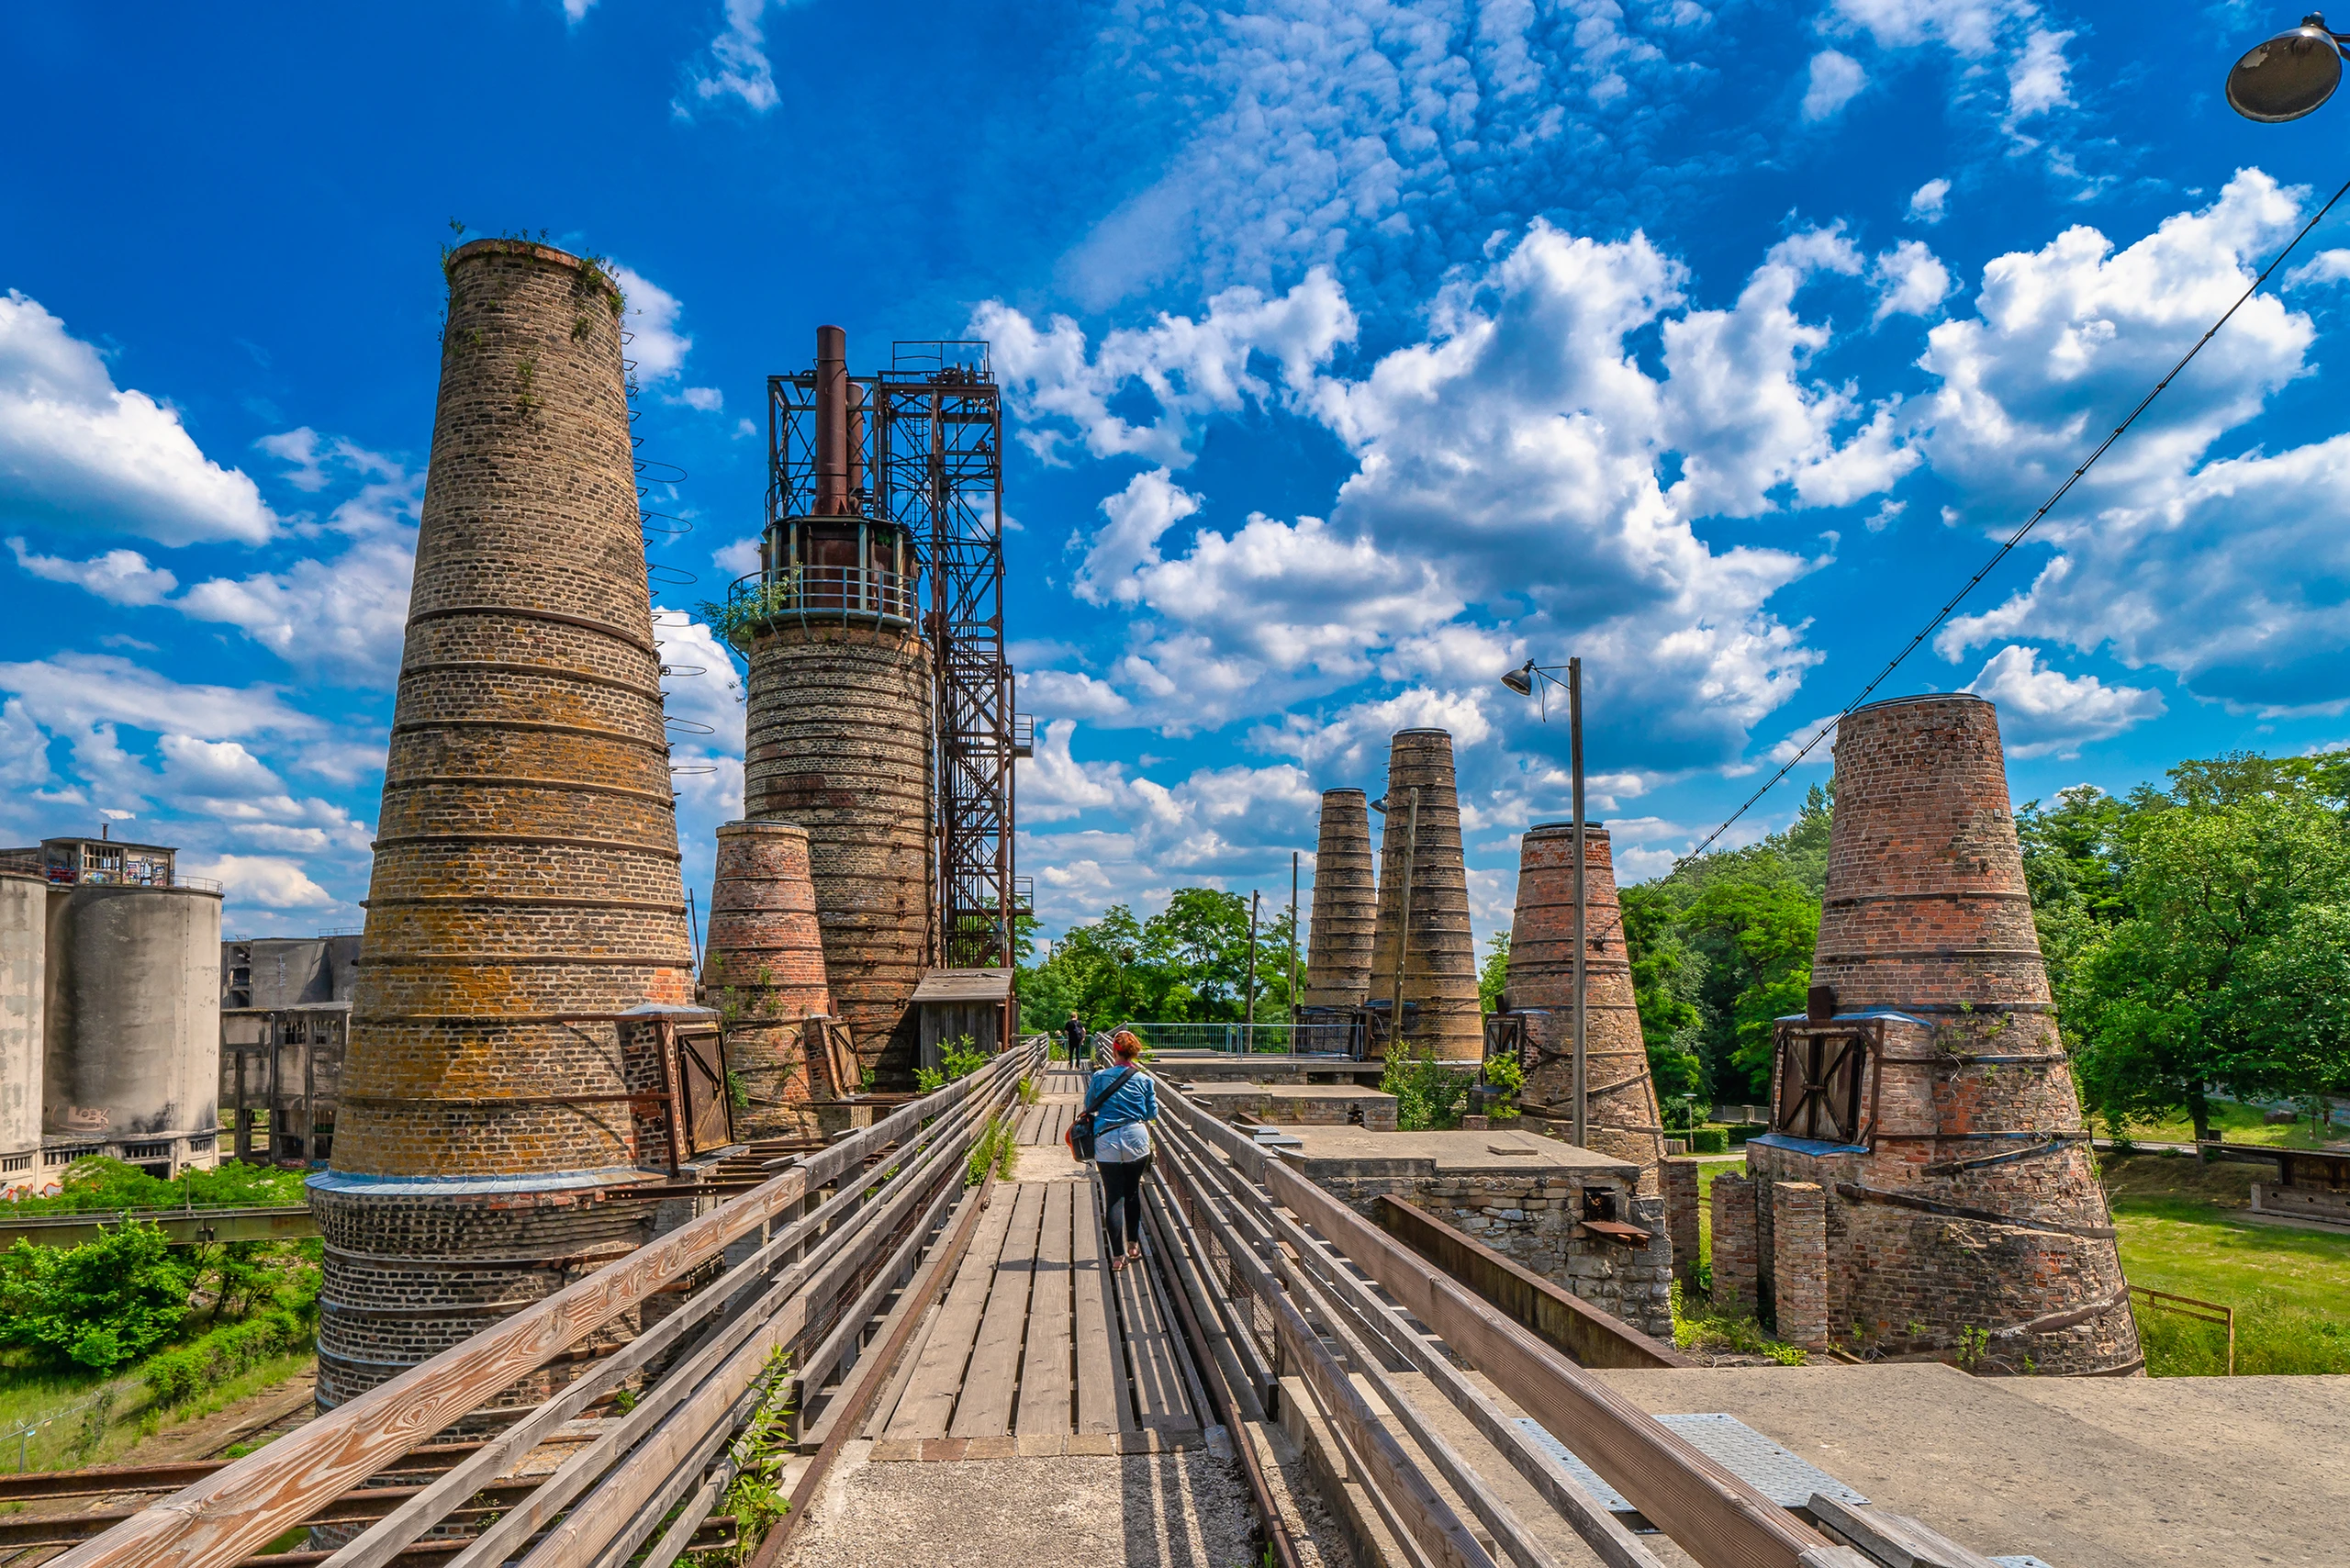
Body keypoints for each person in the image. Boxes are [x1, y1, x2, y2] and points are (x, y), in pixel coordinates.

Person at [1087, 1029, 1158, 1272]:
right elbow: (1151, 1114)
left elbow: (1089, 1106)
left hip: (1107, 1140)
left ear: (1115, 1050)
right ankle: (1133, 1245)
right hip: (1135, 1139)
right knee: (1132, 1193)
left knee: (1113, 1196)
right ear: (1135, 1052)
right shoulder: (1145, 1079)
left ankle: (1118, 1257)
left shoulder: (1100, 1077)